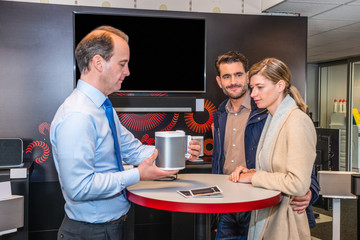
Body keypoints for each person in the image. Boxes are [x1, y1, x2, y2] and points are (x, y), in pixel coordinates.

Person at [50, 25, 201, 240]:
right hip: (91, 231)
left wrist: (179, 150)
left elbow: (132, 150)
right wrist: (138, 175)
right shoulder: (78, 115)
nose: (128, 72)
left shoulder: (102, 107)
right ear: (98, 62)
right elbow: (79, 188)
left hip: (116, 224)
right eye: (122, 64)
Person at [212, 51, 319, 239]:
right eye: (226, 76)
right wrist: (249, 171)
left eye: (259, 87)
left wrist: (312, 190)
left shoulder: (284, 117)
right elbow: (271, 164)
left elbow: (300, 176)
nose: (254, 93)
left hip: (268, 207)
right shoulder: (266, 116)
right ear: (219, 81)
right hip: (232, 203)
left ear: (280, 85)